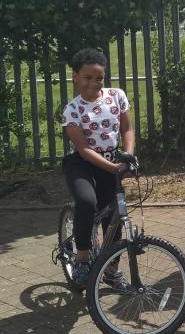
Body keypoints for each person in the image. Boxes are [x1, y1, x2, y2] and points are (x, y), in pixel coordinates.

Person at [61, 48, 135, 287]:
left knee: (115, 214)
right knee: (87, 202)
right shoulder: (72, 110)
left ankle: (111, 271)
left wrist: (128, 156)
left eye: (99, 78)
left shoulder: (116, 96)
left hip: (112, 163)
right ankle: (82, 260)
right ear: (75, 77)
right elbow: (83, 149)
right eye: (87, 77)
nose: (93, 83)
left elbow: (127, 129)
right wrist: (114, 168)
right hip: (82, 165)